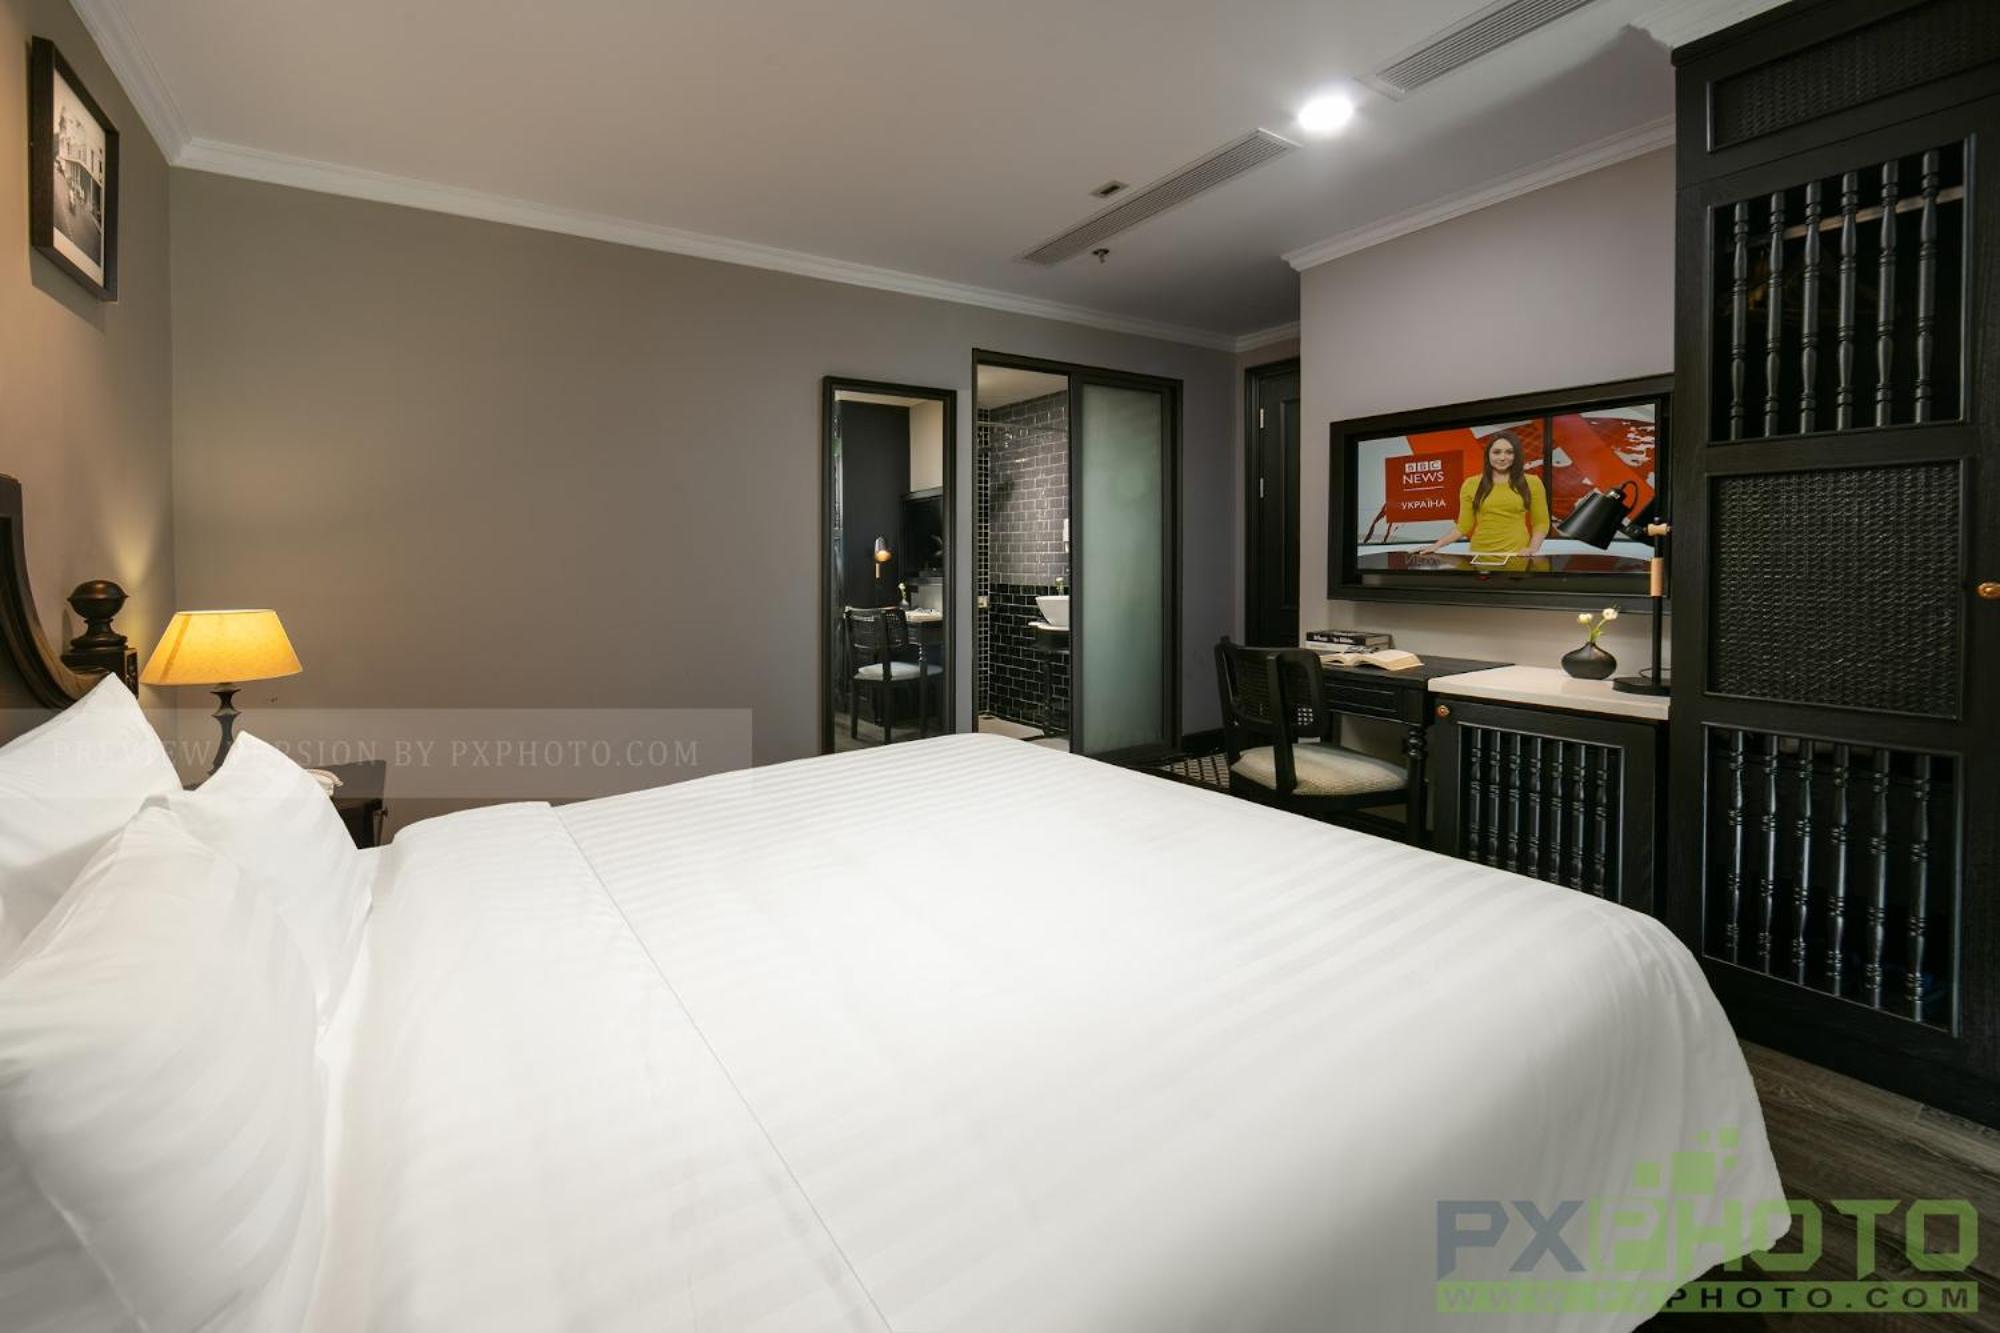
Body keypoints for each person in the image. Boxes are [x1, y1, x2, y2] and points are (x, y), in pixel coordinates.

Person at [1416, 432, 1549, 559]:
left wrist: (1532, 549)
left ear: (1516, 455)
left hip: (1517, 556)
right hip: (1479, 554)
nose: (1502, 458)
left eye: (1509, 452)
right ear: (1488, 455)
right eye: (1496, 452)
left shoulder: (1533, 482)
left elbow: (1541, 523)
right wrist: (1436, 545)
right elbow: (1463, 526)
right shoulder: (1470, 484)